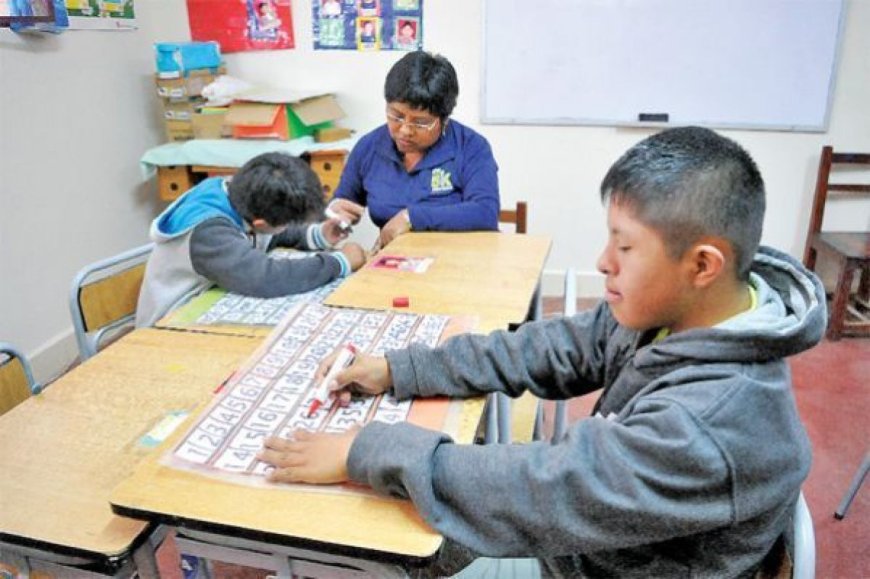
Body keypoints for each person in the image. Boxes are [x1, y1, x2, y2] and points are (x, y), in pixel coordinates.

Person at [257, 127, 827, 577]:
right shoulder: (683, 313)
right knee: (413, 519)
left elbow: (548, 485)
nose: (603, 261)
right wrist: (401, 368)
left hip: (603, 566)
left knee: (389, 534)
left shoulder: (708, 424)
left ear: (703, 264)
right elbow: (552, 346)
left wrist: (366, 448)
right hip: (600, 540)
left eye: (625, 246)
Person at [136, 153, 366, 327]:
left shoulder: (242, 194)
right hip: (170, 324)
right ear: (259, 223)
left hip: (210, 300)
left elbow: (273, 234)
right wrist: (339, 262)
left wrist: (320, 234)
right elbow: (265, 277)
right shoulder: (209, 231)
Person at [328, 51, 500, 250]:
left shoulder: (471, 147)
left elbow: (485, 212)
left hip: (459, 262)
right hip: (394, 264)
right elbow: (344, 199)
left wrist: (411, 217)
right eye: (396, 116)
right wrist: (336, 213)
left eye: (421, 122)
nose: (405, 130)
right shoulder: (369, 147)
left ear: (444, 119)